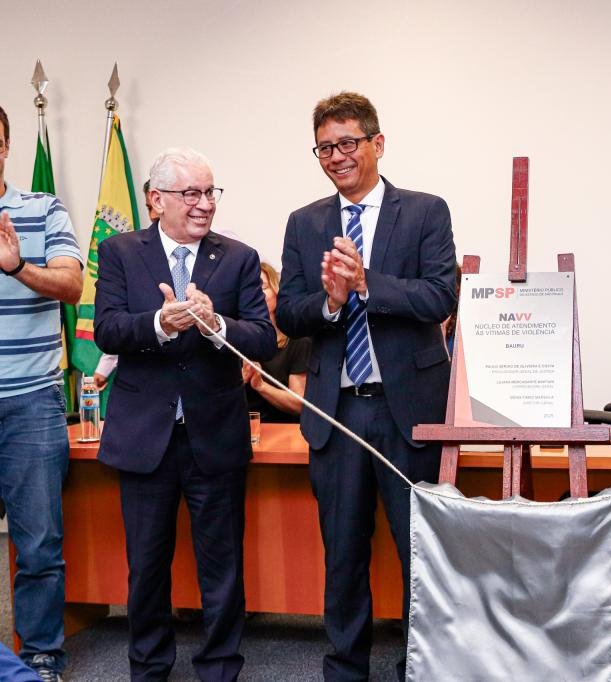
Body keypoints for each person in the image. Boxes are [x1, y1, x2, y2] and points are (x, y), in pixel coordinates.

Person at [276, 91, 457, 681]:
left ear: (377, 144)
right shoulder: (304, 223)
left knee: (419, 553)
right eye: (325, 148)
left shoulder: (426, 211)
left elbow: (440, 297)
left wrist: (366, 284)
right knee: (344, 554)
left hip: (409, 412)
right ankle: (345, 670)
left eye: (347, 143)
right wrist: (329, 303)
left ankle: (421, 668)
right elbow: (288, 315)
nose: (336, 157)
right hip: (336, 413)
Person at [94, 147, 276, 681]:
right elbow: (106, 329)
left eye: (210, 192)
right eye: (189, 193)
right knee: (147, 566)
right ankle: (148, 667)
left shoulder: (239, 258)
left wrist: (215, 324)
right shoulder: (121, 252)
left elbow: (263, 338)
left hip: (213, 436)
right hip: (145, 436)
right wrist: (160, 323)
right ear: (156, 200)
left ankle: (219, 667)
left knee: (221, 567)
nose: (203, 205)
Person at [0, 104, 84, 682]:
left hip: (29, 402)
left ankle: (40, 656)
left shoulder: (41, 209)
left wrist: (18, 266)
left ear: (4, 146)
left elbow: (73, 282)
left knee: (38, 544)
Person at [94, 180, 160, 392]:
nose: (152, 215)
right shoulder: (131, 253)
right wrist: (103, 369)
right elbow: (120, 318)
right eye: (149, 207)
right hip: (148, 384)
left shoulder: (224, 252)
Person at [241, 261, 310, 422]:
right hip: (244, 433)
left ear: (276, 290)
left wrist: (261, 386)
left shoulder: (298, 341)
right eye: (250, 289)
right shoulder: (235, 339)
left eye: (262, 287)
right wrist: (241, 379)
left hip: (286, 434)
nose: (257, 295)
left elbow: (300, 404)